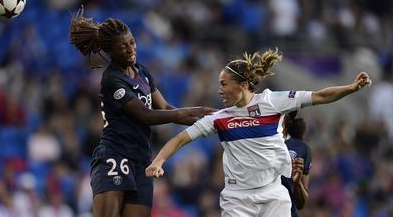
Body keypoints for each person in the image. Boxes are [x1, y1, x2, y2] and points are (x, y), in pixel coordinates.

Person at [145, 48, 372, 217]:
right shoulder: (220, 118)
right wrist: (158, 161)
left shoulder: (274, 101)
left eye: (224, 84)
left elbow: (320, 96)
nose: (219, 90)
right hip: (237, 199)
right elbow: (181, 138)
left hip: (273, 193)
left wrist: (351, 88)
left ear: (242, 84)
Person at [69, 8, 216, 217]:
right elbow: (146, 115)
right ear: (110, 51)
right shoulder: (113, 80)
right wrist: (195, 111)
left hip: (142, 161)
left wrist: (207, 123)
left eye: (132, 42)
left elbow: (164, 108)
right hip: (115, 155)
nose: (130, 49)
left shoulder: (143, 72)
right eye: (123, 46)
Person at [281, 110, 311, 217]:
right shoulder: (303, 148)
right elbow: (301, 204)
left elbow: (301, 203)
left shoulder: (302, 148)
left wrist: (297, 183)